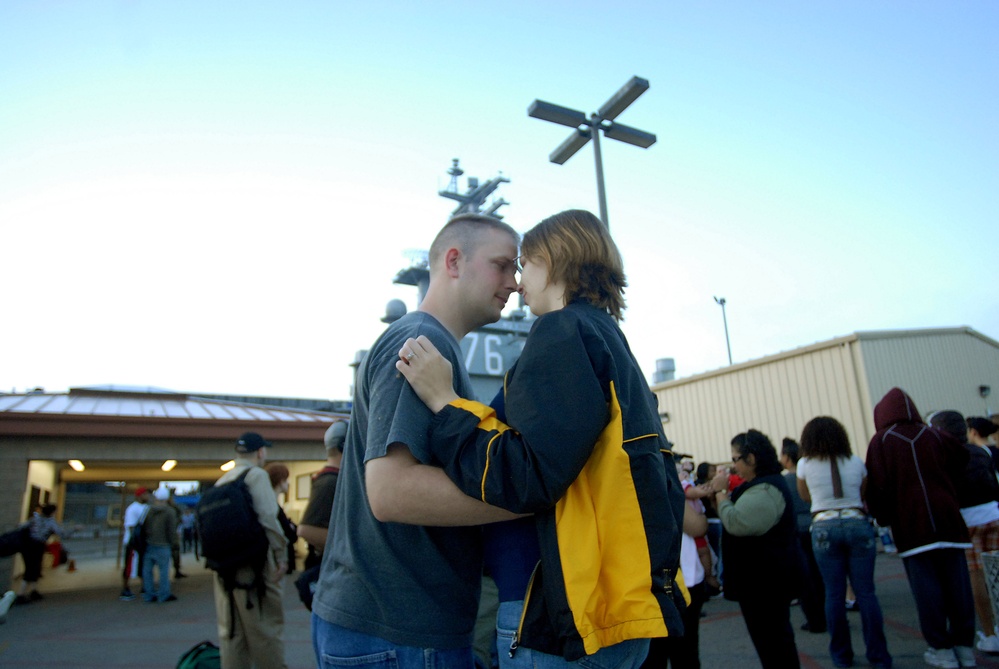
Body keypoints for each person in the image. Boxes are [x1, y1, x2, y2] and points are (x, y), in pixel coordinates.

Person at [397, 209, 686, 667]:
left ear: (554, 260)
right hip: (609, 605)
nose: (515, 281)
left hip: (556, 612)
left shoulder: (563, 330)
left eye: (524, 263)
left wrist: (444, 401)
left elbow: (525, 475)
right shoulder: (608, 338)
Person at [310, 214, 523, 669]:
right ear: (453, 261)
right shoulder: (422, 341)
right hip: (399, 632)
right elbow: (392, 493)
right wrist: (529, 495)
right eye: (503, 265)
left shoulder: (433, 345)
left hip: (389, 627)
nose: (515, 282)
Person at [865, 388, 975, 669]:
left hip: (912, 525)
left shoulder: (881, 441)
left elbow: (876, 487)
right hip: (948, 519)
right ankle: (965, 647)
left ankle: (941, 649)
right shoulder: (934, 434)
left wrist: (882, 516)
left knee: (927, 590)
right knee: (958, 588)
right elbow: (962, 457)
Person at [797, 417, 892, 668]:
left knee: (834, 593)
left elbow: (805, 496)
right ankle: (879, 656)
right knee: (866, 592)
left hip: (823, 526)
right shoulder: (856, 462)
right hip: (857, 522)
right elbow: (862, 493)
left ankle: (841, 655)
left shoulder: (804, 464)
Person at [709, 430, 801, 668]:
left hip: (765, 585)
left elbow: (737, 522)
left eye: (736, 458)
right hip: (763, 584)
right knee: (773, 642)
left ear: (751, 458)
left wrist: (720, 494)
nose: (733, 465)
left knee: (773, 644)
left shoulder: (766, 490)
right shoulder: (762, 486)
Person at [211, 432, 288, 669]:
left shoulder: (222, 481)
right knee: (265, 629)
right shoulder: (256, 475)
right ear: (260, 452)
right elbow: (268, 518)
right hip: (253, 567)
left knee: (232, 631)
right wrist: (281, 556)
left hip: (223, 567)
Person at [928, 411, 999, 654]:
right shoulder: (982, 451)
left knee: (976, 574)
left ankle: (990, 633)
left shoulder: (943, 456)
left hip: (967, 520)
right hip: (993, 513)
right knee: (996, 572)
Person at [781, 437, 827, 635]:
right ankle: (830, 614)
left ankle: (815, 620)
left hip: (797, 531)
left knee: (806, 579)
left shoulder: (784, 481)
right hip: (814, 525)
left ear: (787, 458)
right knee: (821, 575)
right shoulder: (808, 476)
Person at [296, 420, 346, 563]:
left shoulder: (335, 479)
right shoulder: (329, 482)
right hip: (328, 568)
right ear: (344, 445)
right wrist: (349, 548)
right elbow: (306, 530)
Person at [15, 503, 75, 604]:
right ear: (52, 512)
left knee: (33, 567)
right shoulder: (51, 522)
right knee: (32, 569)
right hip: (38, 546)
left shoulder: (35, 518)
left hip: (27, 545)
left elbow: (22, 526)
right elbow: (62, 534)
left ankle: (34, 590)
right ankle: (20, 595)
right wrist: (74, 529)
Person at [142, 487, 180, 603]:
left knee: (147, 571)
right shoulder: (170, 511)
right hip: (164, 545)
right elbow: (172, 530)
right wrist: (174, 544)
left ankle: (149, 594)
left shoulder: (149, 510)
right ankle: (163, 594)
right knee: (164, 572)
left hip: (149, 544)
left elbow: (145, 526)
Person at [264, 463, 298, 574]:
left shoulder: (267, 503)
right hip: (274, 561)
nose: (288, 483)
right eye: (286, 479)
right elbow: (289, 533)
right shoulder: (273, 506)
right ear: (280, 481)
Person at [121, 487, 150, 601]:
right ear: (139, 496)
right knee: (129, 566)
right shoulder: (132, 509)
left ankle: (144, 587)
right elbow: (131, 526)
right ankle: (125, 589)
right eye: (146, 494)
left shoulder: (146, 507)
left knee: (143, 565)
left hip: (142, 542)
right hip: (132, 542)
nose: (148, 496)